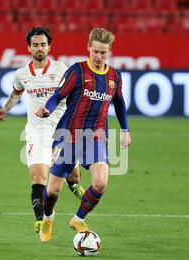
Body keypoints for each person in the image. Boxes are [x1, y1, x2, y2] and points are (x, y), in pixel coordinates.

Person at [35, 28, 131, 242]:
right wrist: (47, 109)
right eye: (95, 51)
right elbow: (58, 95)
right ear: (88, 48)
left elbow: (119, 103)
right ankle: (48, 216)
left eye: (103, 53)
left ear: (109, 52)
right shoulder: (77, 71)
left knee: (100, 182)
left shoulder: (114, 76)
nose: (98, 57)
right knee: (52, 191)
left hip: (96, 137)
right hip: (68, 135)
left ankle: (78, 218)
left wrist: (125, 131)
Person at [0, 27, 84, 234]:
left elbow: (74, 95)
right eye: (35, 45)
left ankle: (73, 184)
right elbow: (16, 94)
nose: (39, 48)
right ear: (29, 48)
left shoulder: (62, 70)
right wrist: (5, 110)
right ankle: (41, 219)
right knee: (38, 177)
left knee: (74, 177)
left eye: (43, 44)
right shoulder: (22, 74)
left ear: (49, 47)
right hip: (36, 132)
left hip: (62, 131)